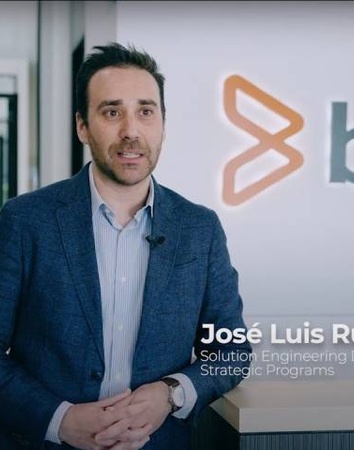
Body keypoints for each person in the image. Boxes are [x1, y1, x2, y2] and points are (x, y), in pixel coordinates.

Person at [0, 42, 252, 450]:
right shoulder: (25, 220)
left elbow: (231, 350)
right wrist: (59, 420)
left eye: (145, 112)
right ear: (82, 126)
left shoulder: (199, 229)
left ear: (162, 125)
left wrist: (172, 393)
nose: (131, 131)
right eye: (112, 111)